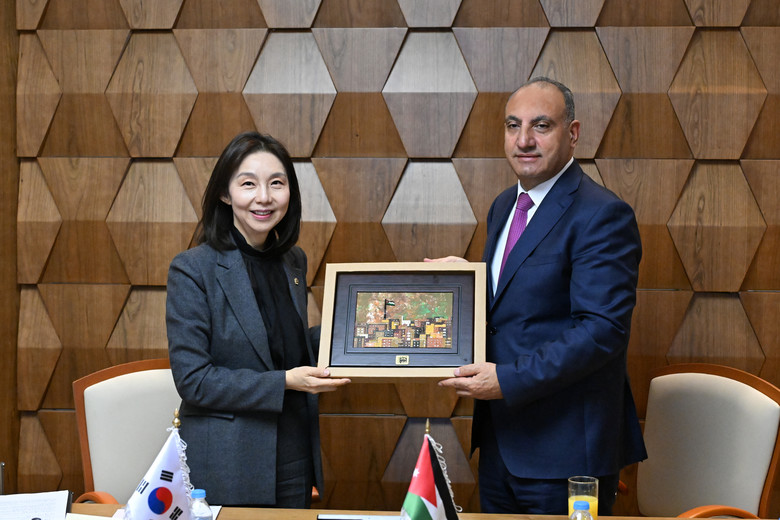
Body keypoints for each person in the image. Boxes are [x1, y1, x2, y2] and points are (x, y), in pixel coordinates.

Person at [428, 77, 647, 514]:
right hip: (501, 444)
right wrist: (469, 282)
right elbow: (519, 301)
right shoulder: (504, 206)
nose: (524, 140)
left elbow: (601, 331)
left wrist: (507, 380)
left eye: (541, 125)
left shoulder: (602, 214)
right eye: (513, 125)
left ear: (573, 133)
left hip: (565, 454)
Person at [166, 131, 350, 507]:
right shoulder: (193, 269)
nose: (264, 197)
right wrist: (285, 381)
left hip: (294, 450)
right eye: (248, 183)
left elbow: (283, 344)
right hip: (228, 461)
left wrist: (355, 332)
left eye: (276, 183)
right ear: (225, 193)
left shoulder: (293, 261)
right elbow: (195, 381)